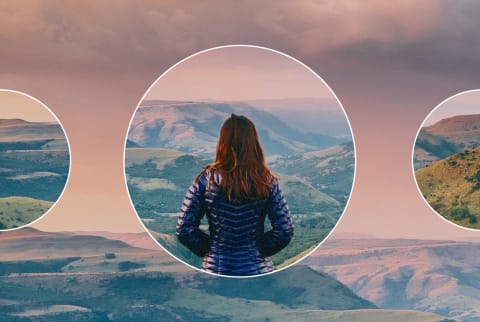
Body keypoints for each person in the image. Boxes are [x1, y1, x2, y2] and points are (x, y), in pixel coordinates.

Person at [176, 113, 293, 276]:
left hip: (216, 268)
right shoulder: (266, 180)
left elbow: (184, 229)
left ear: (223, 143)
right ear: (253, 142)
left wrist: (213, 251)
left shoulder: (206, 180)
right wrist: (257, 250)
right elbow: (284, 230)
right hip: (257, 269)